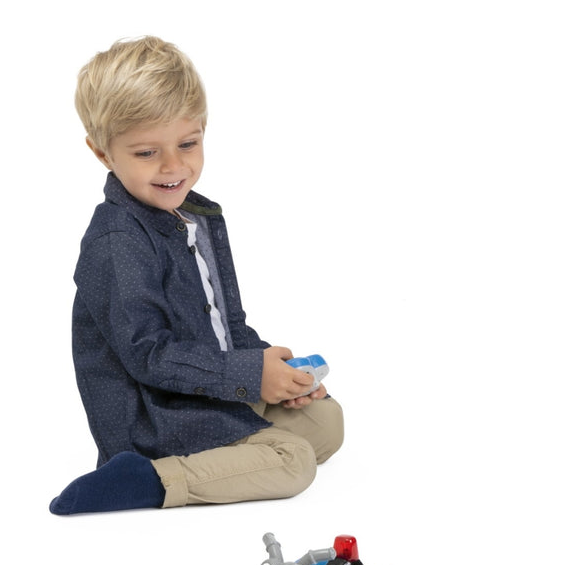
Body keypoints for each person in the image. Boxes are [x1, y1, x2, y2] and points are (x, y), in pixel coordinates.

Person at [49, 36, 343, 514]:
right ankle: (149, 478)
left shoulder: (197, 217)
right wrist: (251, 376)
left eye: (188, 144)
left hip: (206, 389)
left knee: (326, 423)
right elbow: (149, 355)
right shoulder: (117, 242)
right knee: (294, 462)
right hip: (158, 415)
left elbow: (228, 323)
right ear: (103, 153)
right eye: (147, 153)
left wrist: (276, 373)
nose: (174, 166)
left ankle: (236, 454)